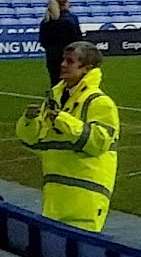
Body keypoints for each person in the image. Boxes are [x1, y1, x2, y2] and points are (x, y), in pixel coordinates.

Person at [16, 41, 119, 232]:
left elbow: (98, 143)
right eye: (63, 60)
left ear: (86, 69)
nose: (63, 65)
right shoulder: (55, 99)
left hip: (85, 198)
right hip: (55, 195)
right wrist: (28, 122)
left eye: (70, 61)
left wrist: (64, 121)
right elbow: (34, 142)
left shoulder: (99, 102)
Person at [38, 0, 82, 88]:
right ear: (65, 4)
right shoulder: (70, 19)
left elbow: (43, 40)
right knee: (71, 78)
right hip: (68, 54)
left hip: (52, 55)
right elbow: (76, 38)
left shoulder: (46, 20)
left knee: (55, 80)